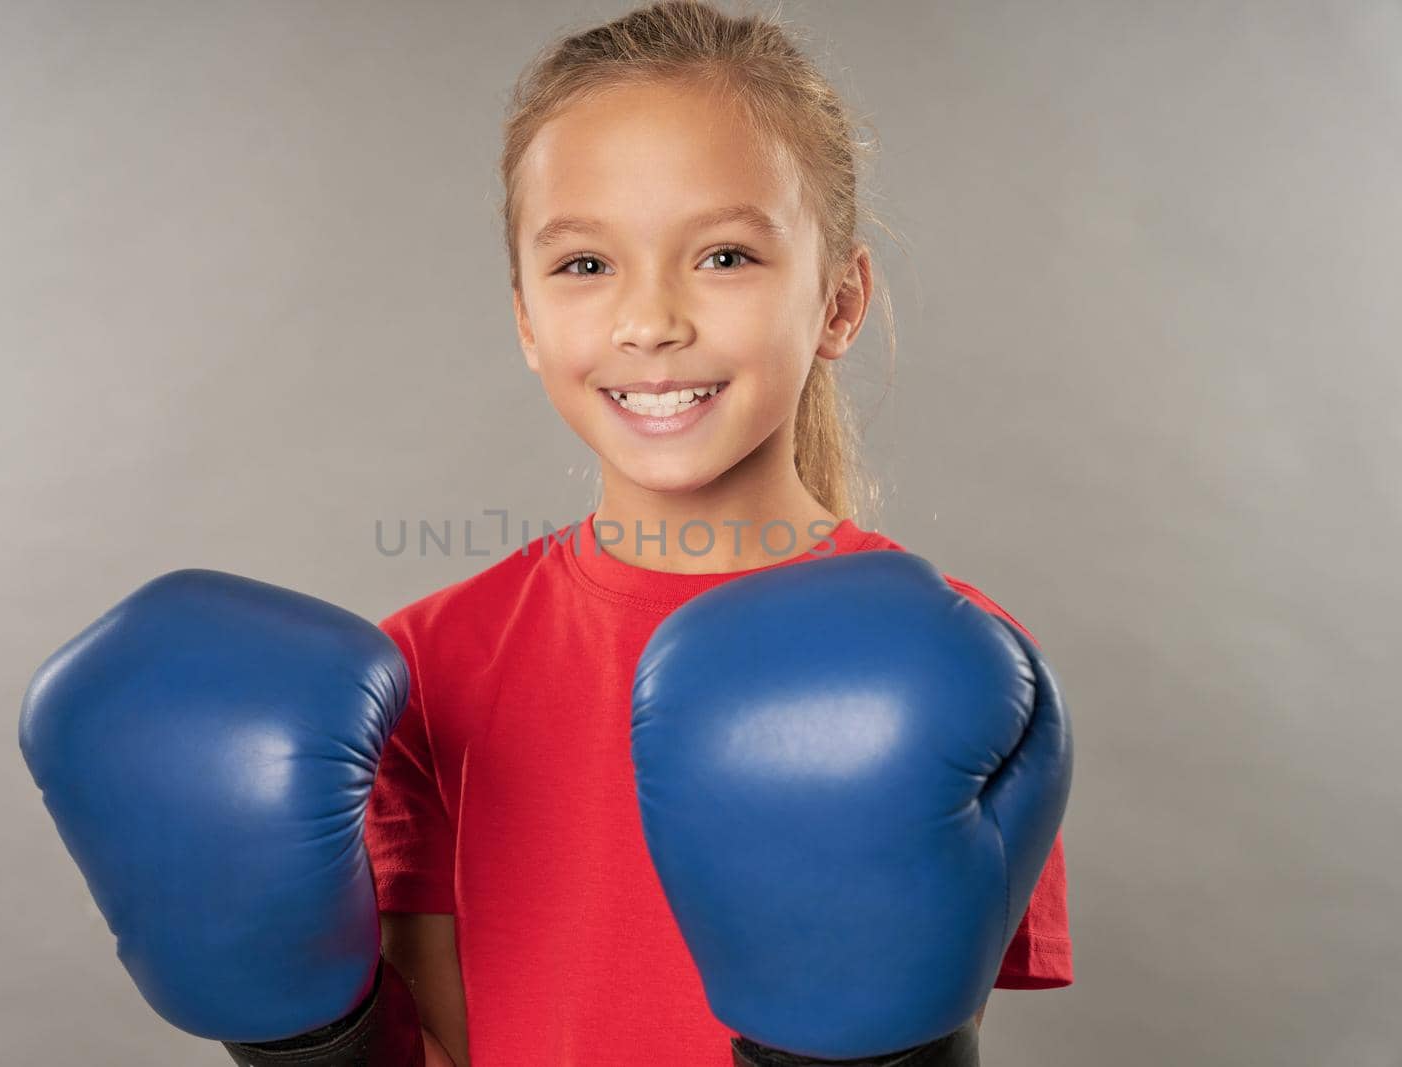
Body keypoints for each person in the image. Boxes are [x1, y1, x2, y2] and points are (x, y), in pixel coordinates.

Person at [366, 2, 1073, 1065]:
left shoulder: (945, 659)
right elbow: (439, 1049)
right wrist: (301, 1035)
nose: (649, 321)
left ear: (838, 301)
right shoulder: (425, 667)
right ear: (523, 317)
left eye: (726, 256)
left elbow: (915, 1016)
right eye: (585, 266)